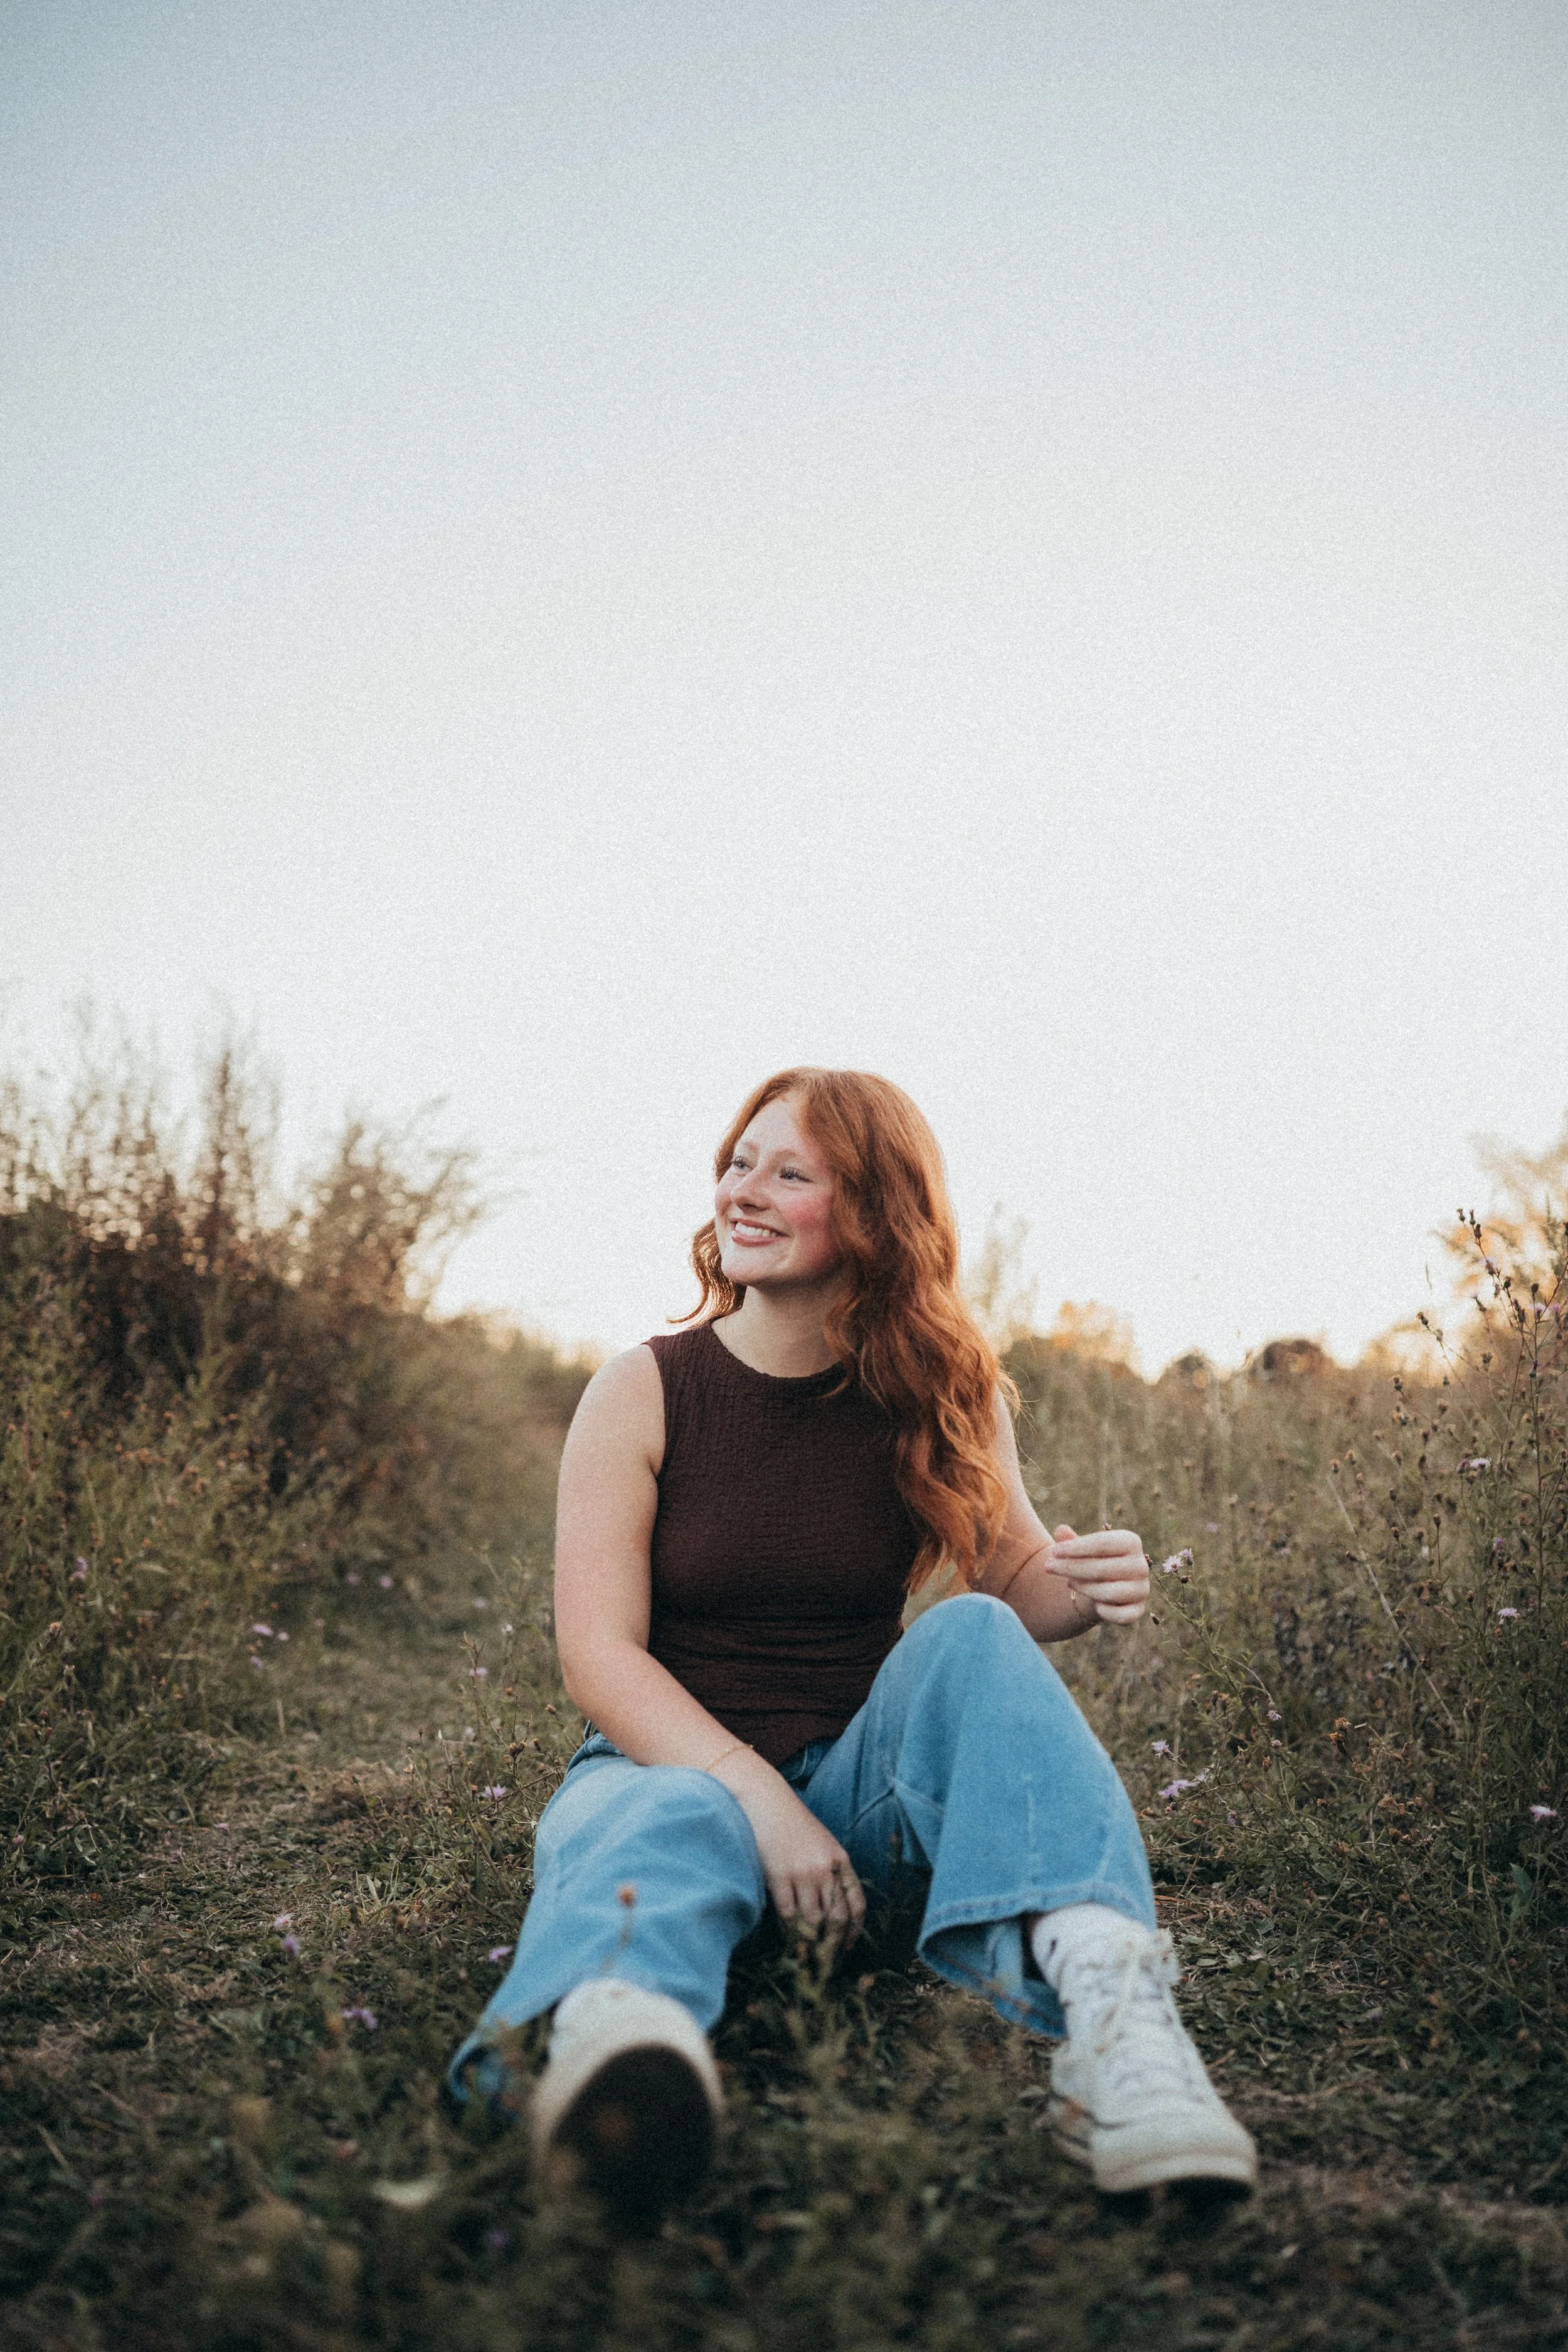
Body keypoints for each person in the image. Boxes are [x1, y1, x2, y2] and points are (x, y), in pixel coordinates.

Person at [449, 1068, 1256, 2215]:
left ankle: (1117, 2026)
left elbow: (1011, 1580)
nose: (746, 1190)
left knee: (972, 1632)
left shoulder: (943, 1388)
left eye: (792, 1172)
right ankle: (618, 2054)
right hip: (660, 1783)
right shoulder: (643, 1388)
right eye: (739, 1161)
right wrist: (758, 1803)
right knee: (660, 1811)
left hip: (852, 1821)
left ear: (874, 1212)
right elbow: (600, 1659)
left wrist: (1081, 1585)